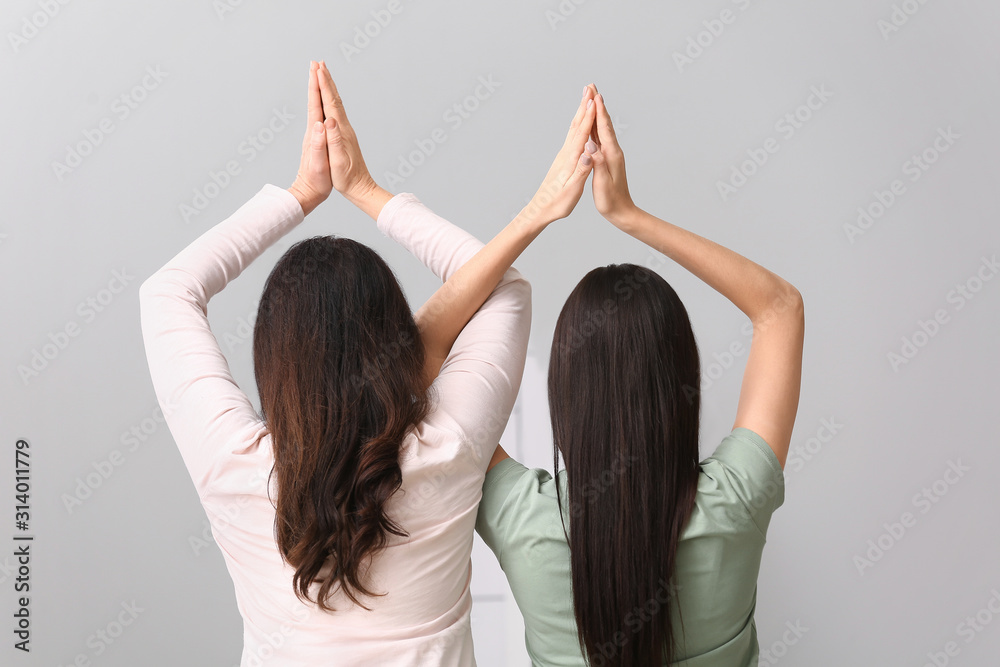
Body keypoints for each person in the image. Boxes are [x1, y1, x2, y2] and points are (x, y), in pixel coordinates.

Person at [138, 60, 599, 666]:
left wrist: (301, 194)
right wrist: (368, 194)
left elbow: (166, 292)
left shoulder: (234, 466)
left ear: (273, 361)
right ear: (396, 343)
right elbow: (502, 291)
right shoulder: (448, 446)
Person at [474, 91, 805, 666]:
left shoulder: (522, 519)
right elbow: (779, 307)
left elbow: (420, 359)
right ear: (681, 382)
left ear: (565, 393)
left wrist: (538, 212)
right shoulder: (736, 498)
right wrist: (628, 213)